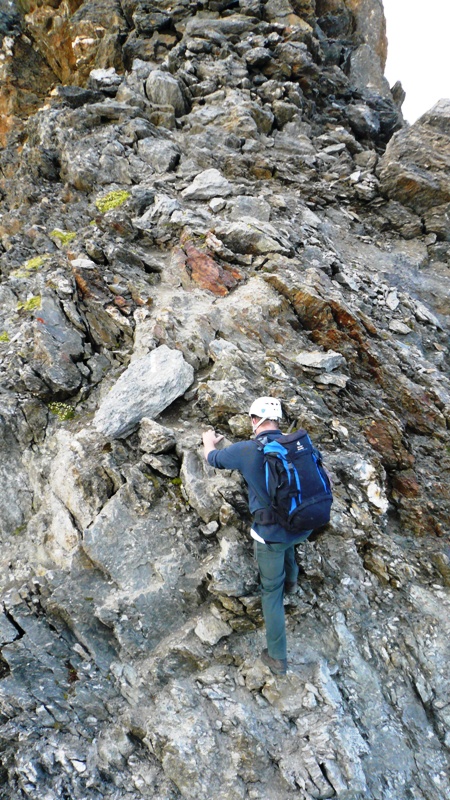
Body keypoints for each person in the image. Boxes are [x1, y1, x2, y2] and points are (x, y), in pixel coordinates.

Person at [202, 397, 312, 676]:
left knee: (270, 594)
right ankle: (292, 581)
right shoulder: (295, 445)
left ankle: (277, 657)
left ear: (254, 420)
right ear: (278, 420)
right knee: (287, 543)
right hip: (304, 524)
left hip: (271, 535)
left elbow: (213, 459)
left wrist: (208, 441)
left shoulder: (247, 450)